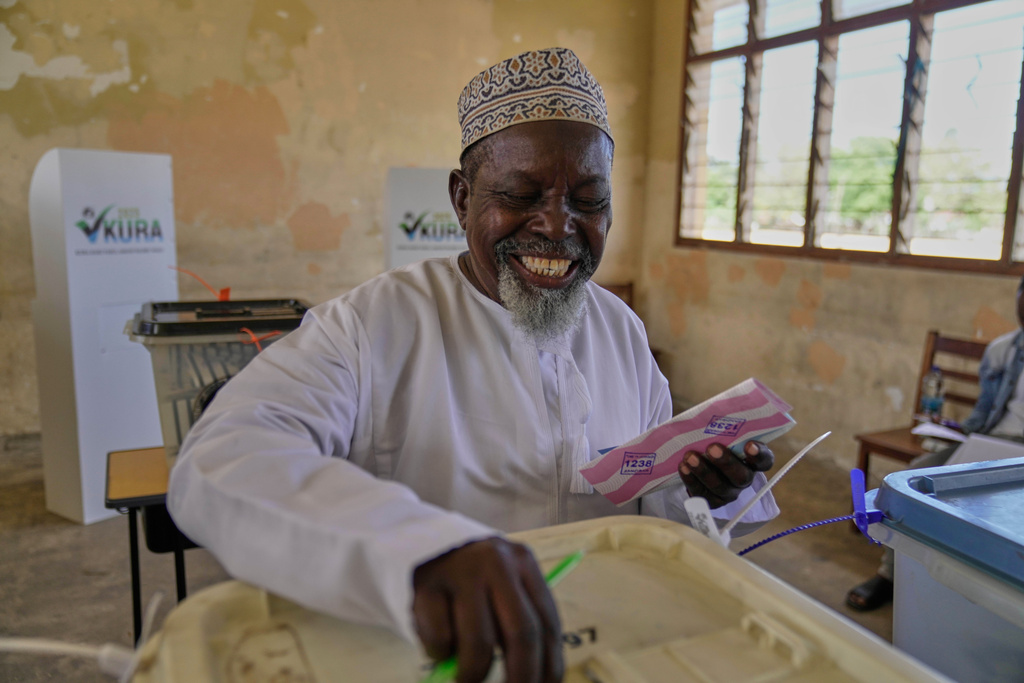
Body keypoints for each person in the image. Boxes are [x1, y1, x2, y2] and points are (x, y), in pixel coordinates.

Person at [168, 47, 779, 682]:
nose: (557, 227)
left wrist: (699, 491)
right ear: (462, 200)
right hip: (436, 658)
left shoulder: (619, 330)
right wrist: (422, 551)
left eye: (589, 201)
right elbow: (222, 458)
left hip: (607, 648)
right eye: (520, 195)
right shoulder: (371, 326)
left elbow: (650, 514)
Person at [846, 274, 1024, 612]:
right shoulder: (1004, 350)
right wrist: (955, 433)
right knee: (914, 478)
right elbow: (984, 410)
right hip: (994, 441)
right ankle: (890, 575)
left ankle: (979, 600)